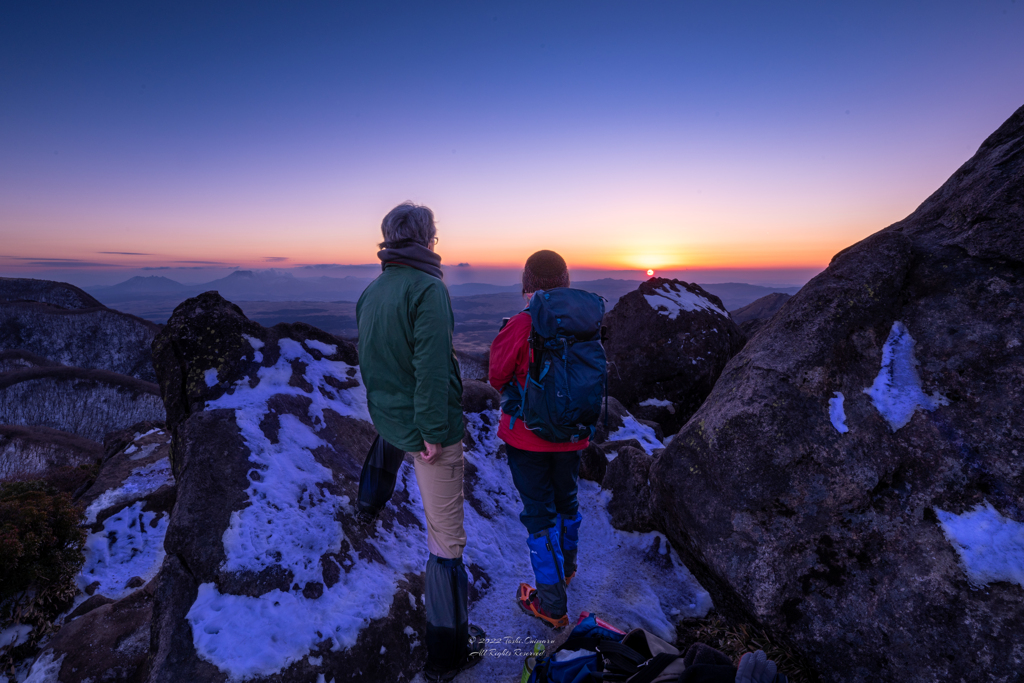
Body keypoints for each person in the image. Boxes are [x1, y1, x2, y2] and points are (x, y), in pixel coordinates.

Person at [356, 202, 484, 681]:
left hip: (389, 416)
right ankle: (447, 655)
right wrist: (432, 432)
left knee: (389, 444)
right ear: (428, 239)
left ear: (389, 239)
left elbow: (371, 360)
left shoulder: (373, 291)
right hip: (430, 431)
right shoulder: (428, 290)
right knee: (446, 544)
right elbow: (431, 369)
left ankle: (365, 505)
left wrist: (394, 415)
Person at [489, 250, 602, 630]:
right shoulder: (585, 323)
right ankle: (566, 570)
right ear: (567, 281)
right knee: (567, 501)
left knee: (539, 514)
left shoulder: (523, 324)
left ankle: (551, 603)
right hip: (573, 435)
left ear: (527, 283)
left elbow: (496, 374)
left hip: (529, 438)